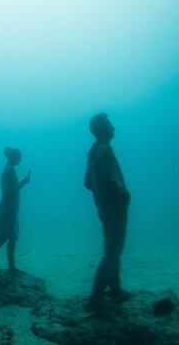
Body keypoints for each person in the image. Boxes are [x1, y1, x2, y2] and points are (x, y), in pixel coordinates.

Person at [85, 113, 132, 310]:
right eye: (111, 125)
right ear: (104, 129)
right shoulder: (106, 150)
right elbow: (114, 182)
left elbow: (87, 183)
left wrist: (101, 196)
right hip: (115, 208)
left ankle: (115, 289)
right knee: (113, 252)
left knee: (112, 249)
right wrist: (123, 195)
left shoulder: (94, 151)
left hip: (103, 208)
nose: (114, 128)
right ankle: (96, 298)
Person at [0, 147, 31, 273]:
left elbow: (10, 189)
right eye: (19, 157)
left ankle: (11, 266)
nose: (21, 160)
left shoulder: (10, 170)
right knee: (3, 237)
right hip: (8, 210)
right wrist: (24, 182)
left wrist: (22, 182)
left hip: (11, 209)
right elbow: (9, 191)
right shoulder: (9, 171)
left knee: (12, 236)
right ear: (13, 157)